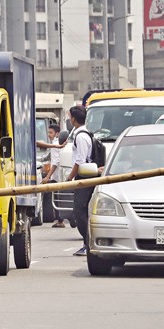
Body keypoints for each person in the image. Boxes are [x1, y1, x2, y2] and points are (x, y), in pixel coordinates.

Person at [66, 105, 93, 256]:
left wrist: (70, 177)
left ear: (74, 119)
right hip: (83, 176)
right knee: (80, 211)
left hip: (85, 177)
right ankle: (87, 243)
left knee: (79, 212)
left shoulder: (81, 136)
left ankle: (87, 243)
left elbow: (80, 161)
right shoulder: (81, 134)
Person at [40, 124, 67, 228]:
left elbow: (55, 163)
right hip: (60, 175)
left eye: (51, 133)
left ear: (57, 134)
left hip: (57, 176)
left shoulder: (55, 144)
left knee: (56, 198)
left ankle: (60, 221)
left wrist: (47, 177)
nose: (49, 135)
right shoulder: (57, 144)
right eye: (48, 132)